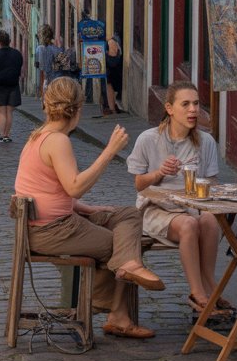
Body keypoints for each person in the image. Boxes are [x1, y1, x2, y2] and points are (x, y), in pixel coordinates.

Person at [15, 76, 162, 340]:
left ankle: (123, 280)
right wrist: (109, 151)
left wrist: (86, 208)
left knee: (128, 215)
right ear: (78, 109)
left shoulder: (37, 137)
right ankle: (117, 310)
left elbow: (50, 190)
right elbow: (73, 186)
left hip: (57, 222)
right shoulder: (57, 141)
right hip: (54, 230)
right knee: (122, 244)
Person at [127, 82, 228, 317]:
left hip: (192, 207)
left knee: (210, 220)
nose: (193, 110)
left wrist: (203, 186)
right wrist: (159, 172)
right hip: (156, 208)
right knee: (189, 224)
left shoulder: (206, 142)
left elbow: (212, 182)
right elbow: (139, 185)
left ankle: (209, 284)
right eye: (186, 104)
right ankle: (197, 293)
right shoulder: (149, 139)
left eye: (196, 104)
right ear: (170, 108)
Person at [0, 30, 23, 143]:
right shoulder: (17, 54)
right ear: (9, 41)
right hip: (13, 84)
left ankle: (2, 135)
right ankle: (7, 135)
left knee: (1, 112)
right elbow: (19, 69)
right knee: (9, 112)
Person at [37, 25, 64, 103]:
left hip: (50, 82)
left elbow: (43, 69)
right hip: (61, 82)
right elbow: (65, 67)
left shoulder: (41, 49)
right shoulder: (58, 49)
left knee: (50, 110)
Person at [104, 34, 123, 115]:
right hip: (114, 69)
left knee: (110, 86)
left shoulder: (111, 42)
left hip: (112, 70)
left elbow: (112, 56)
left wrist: (107, 54)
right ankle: (113, 108)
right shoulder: (113, 41)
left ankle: (112, 109)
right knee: (111, 86)